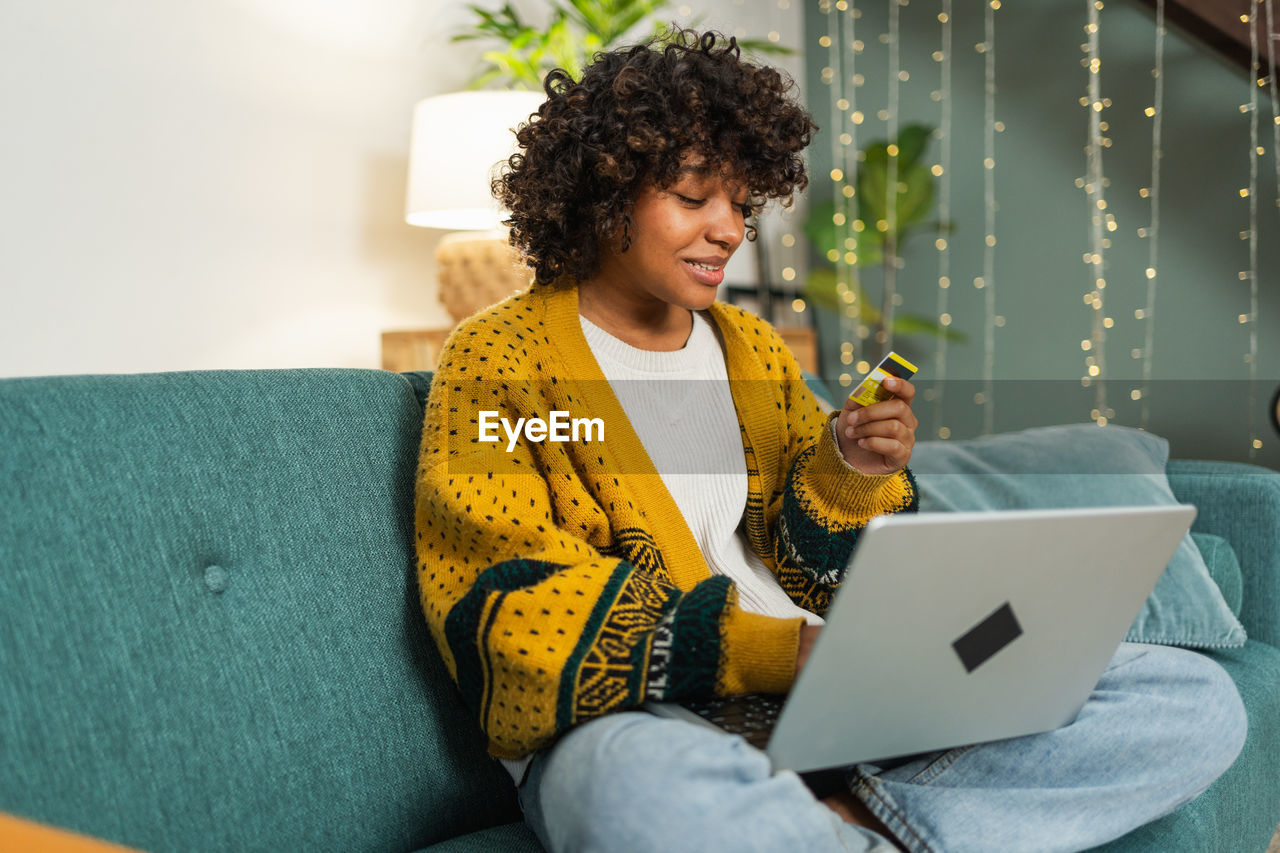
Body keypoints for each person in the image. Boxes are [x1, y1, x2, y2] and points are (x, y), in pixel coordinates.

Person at [414, 30, 1246, 853]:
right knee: (630, 791)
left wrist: (850, 470)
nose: (728, 230)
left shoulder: (753, 350)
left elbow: (811, 569)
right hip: (650, 719)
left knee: (1189, 695)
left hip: (827, 699)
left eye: (741, 203)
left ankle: (859, 822)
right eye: (695, 197)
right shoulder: (501, 358)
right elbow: (509, 605)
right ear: (606, 189)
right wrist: (777, 649)